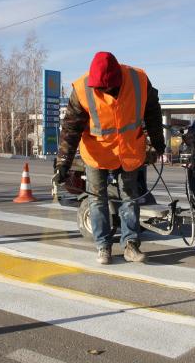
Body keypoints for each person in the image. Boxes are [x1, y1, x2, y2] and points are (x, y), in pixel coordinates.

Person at [55, 52, 165, 265]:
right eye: (100, 89)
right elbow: (70, 129)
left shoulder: (139, 80)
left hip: (128, 151)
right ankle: (103, 247)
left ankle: (131, 245)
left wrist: (158, 141)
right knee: (97, 199)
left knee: (130, 197)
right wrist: (62, 163)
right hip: (97, 153)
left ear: (118, 80)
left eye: (108, 89)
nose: (104, 92)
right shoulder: (81, 90)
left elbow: (153, 111)